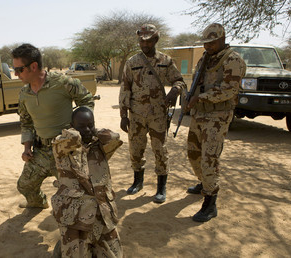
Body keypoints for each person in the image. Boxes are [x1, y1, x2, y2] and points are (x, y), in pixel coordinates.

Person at [13, 43, 94, 209]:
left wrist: (80, 125)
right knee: (24, 185)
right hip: (41, 151)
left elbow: (86, 100)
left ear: (33, 66)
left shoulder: (63, 82)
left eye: (19, 69)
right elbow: (26, 122)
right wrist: (27, 147)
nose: (15, 74)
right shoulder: (24, 94)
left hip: (65, 151)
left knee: (74, 193)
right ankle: (38, 204)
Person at [119, 24, 186, 203]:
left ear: (156, 40)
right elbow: (125, 87)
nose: (144, 44)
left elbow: (179, 81)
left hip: (158, 114)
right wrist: (123, 115)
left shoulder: (166, 60)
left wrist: (175, 91)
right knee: (136, 149)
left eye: (148, 40)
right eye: (142, 40)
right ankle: (137, 182)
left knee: (160, 150)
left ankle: (161, 188)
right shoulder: (132, 62)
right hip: (137, 115)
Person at [186, 23, 246, 222]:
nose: (208, 46)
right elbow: (196, 82)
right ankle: (204, 183)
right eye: (206, 43)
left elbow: (229, 89)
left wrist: (201, 97)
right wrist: (190, 97)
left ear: (222, 39)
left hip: (218, 116)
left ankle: (210, 203)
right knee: (193, 153)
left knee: (209, 158)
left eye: (212, 43)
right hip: (199, 115)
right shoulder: (206, 58)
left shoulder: (232, 60)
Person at [51, 107, 123, 258]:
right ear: (72, 126)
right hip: (76, 219)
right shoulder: (61, 147)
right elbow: (72, 139)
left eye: (90, 124)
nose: (87, 130)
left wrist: (94, 131)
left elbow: (114, 138)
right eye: (82, 126)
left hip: (102, 215)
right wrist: (79, 133)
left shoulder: (99, 148)